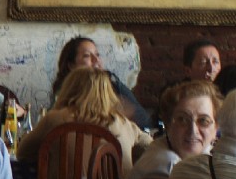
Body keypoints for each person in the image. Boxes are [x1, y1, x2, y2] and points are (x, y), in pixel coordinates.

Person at [14, 67, 150, 166]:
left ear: (69, 88)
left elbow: (22, 153)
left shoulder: (54, 119)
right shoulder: (124, 124)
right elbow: (149, 147)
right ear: (108, 93)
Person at [52, 36, 150, 128]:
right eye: (87, 56)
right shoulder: (62, 93)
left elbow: (144, 120)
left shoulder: (111, 82)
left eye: (97, 55)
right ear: (71, 65)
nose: (96, 60)